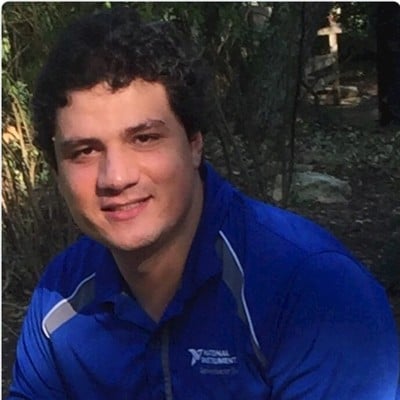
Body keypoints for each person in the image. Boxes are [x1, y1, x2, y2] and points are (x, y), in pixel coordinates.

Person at [8, 7, 399, 399]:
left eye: (144, 138)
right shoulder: (60, 297)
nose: (116, 177)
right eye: (84, 151)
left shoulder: (312, 290)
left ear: (194, 144)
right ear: (56, 171)